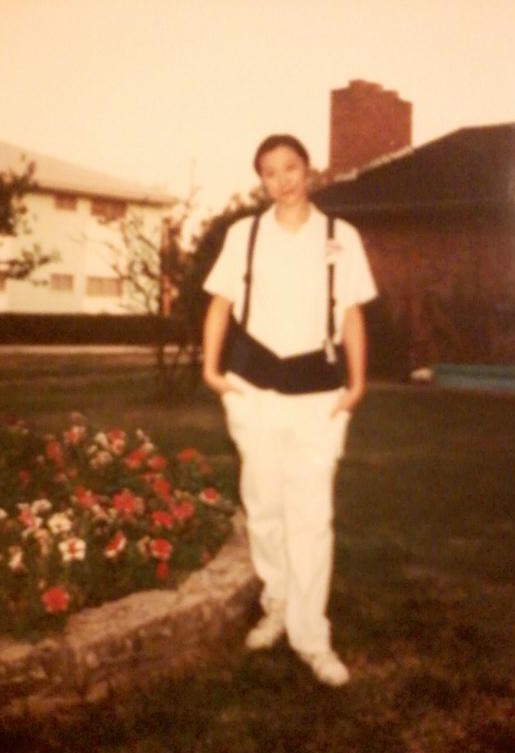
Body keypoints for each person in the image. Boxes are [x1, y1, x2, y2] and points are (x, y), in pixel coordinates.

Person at [202, 134, 377, 687]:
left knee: (311, 516)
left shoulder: (340, 236)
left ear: (309, 170)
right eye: (270, 172)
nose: (283, 180)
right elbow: (221, 304)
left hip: (318, 393)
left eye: (291, 168)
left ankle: (311, 636)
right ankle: (277, 602)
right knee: (264, 507)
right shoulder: (245, 234)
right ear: (262, 181)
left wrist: (356, 383)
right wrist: (211, 370)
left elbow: (350, 316)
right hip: (253, 387)